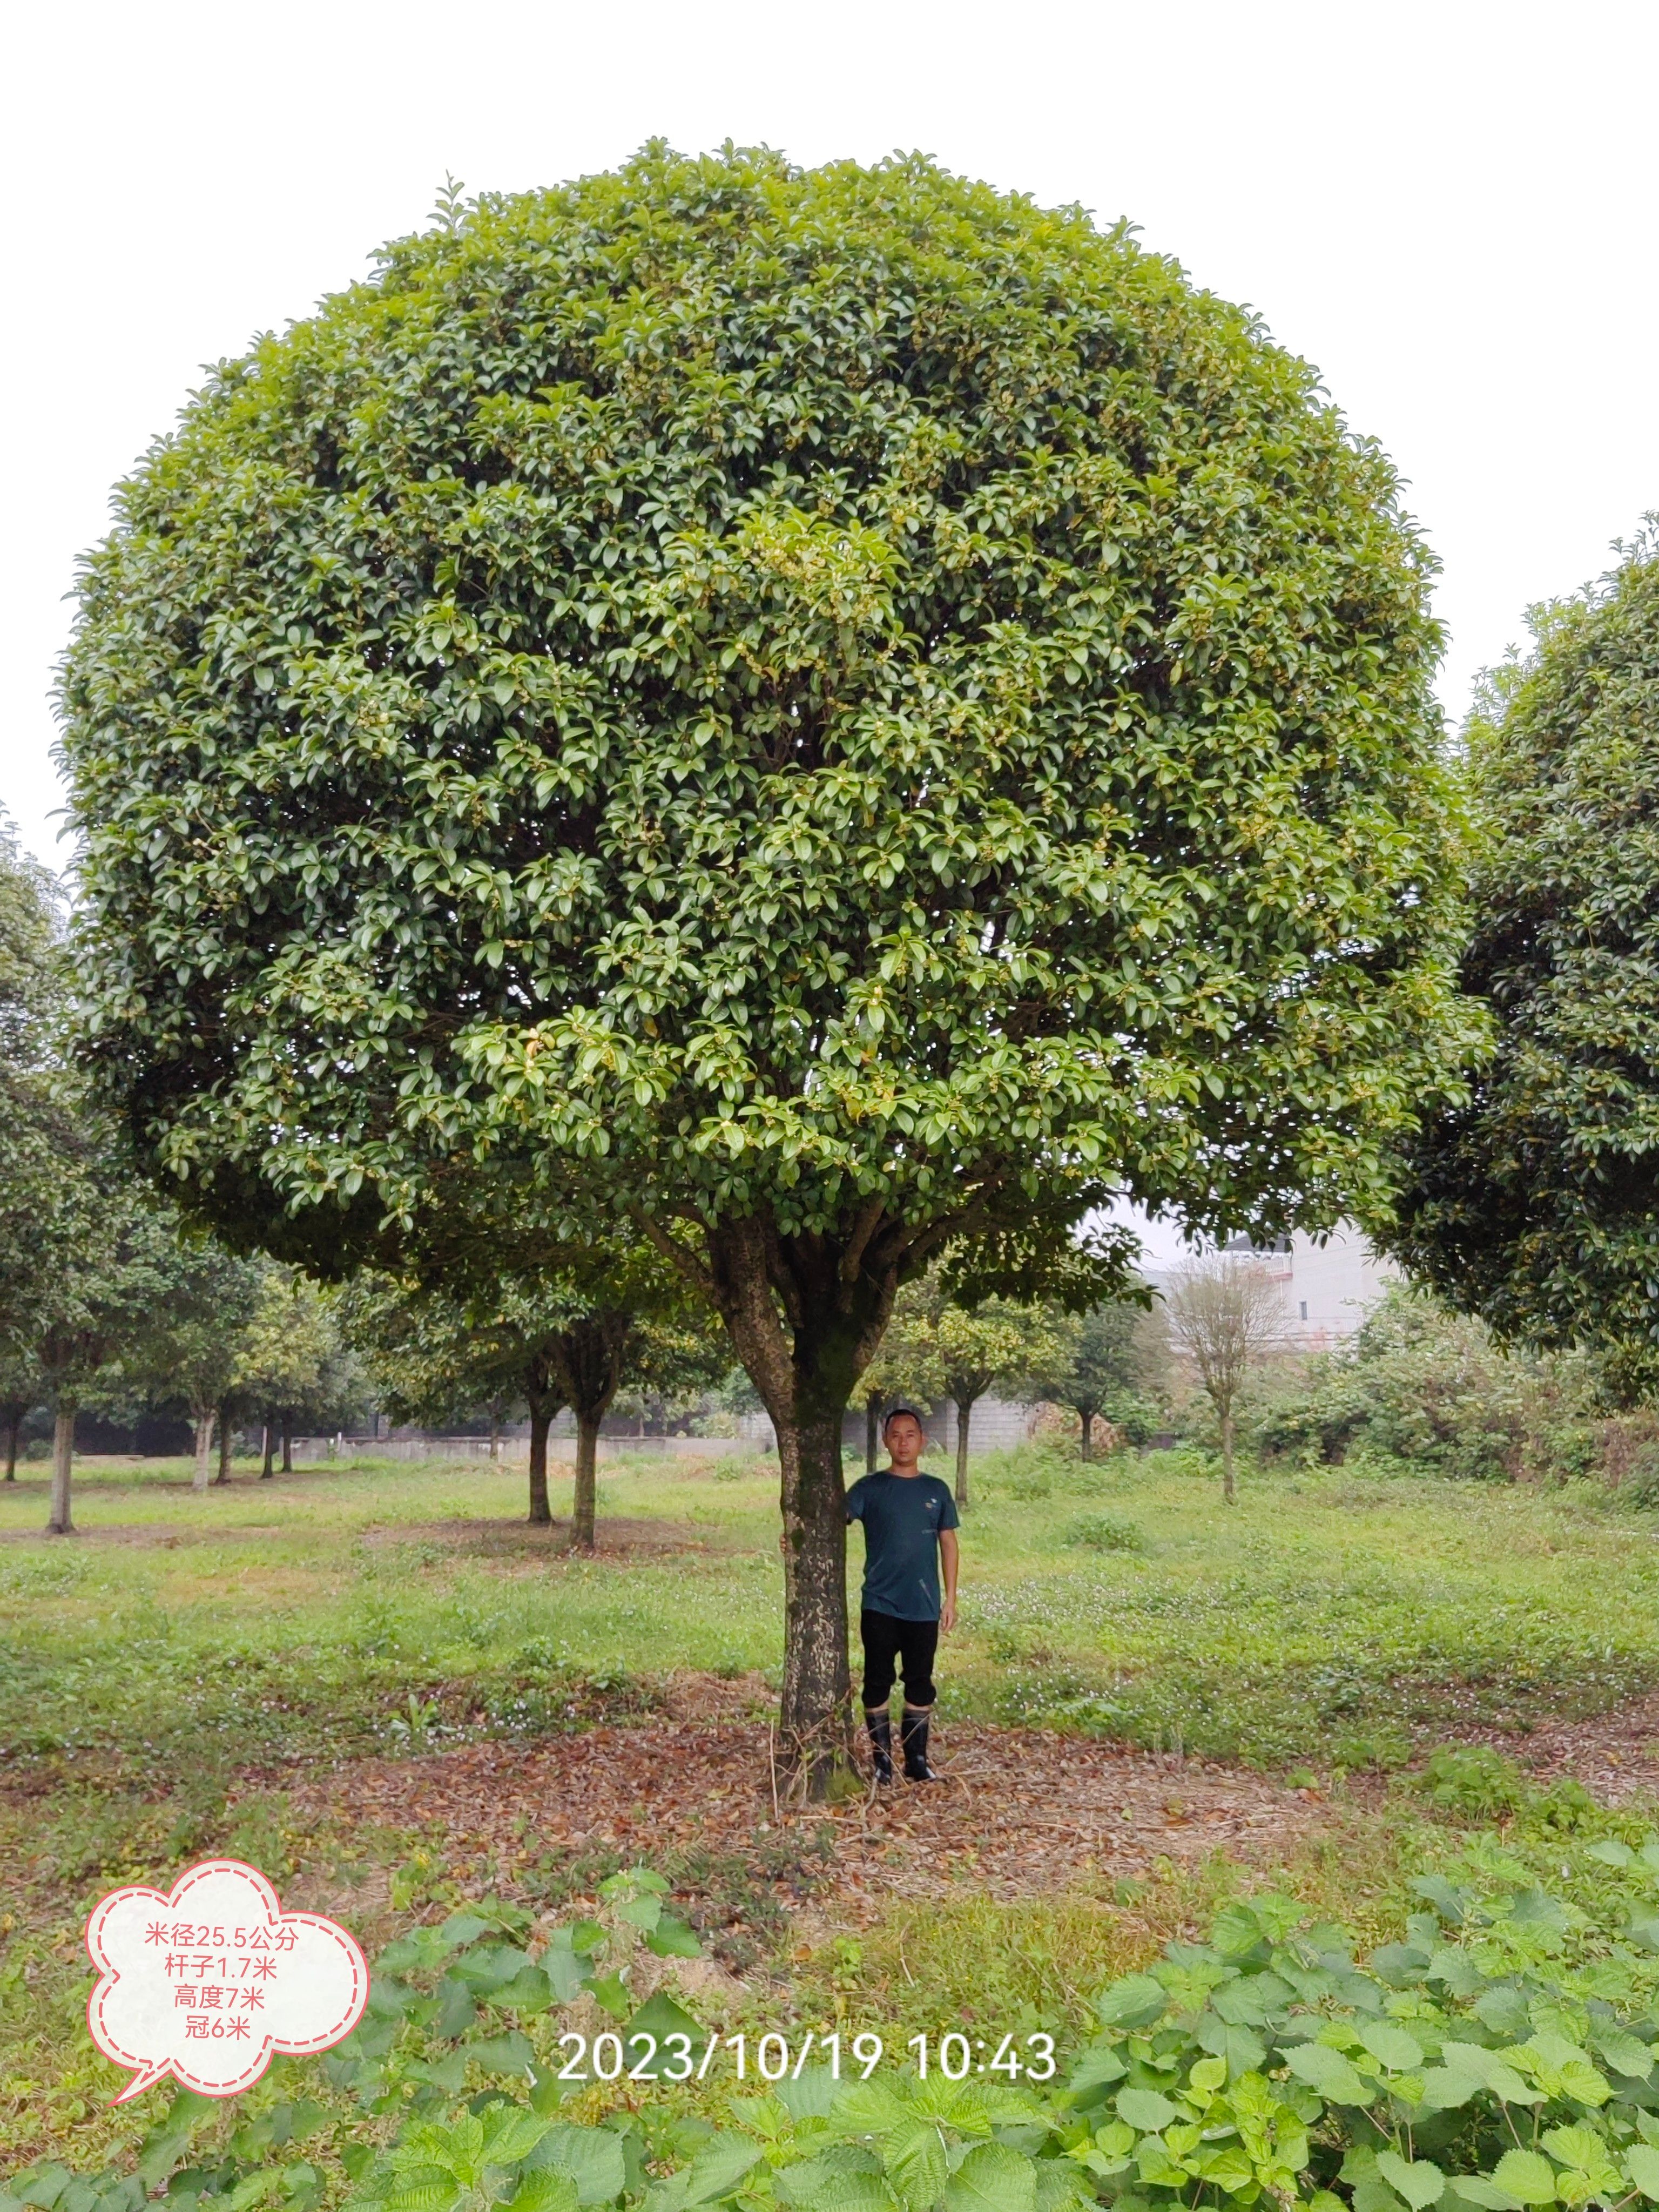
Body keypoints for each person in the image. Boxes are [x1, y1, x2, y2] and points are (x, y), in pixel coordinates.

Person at [844, 1406, 960, 1783]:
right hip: (880, 1602)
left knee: (920, 1681)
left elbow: (949, 1543)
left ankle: (916, 1761)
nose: (903, 1442)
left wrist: (951, 1598)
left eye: (910, 1434)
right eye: (896, 1435)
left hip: (923, 1605)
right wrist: (793, 1536)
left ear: (922, 1440)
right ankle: (882, 1764)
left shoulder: (936, 1491)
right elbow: (828, 1522)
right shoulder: (868, 1489)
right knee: (877, 1680)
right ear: (885, 1441)